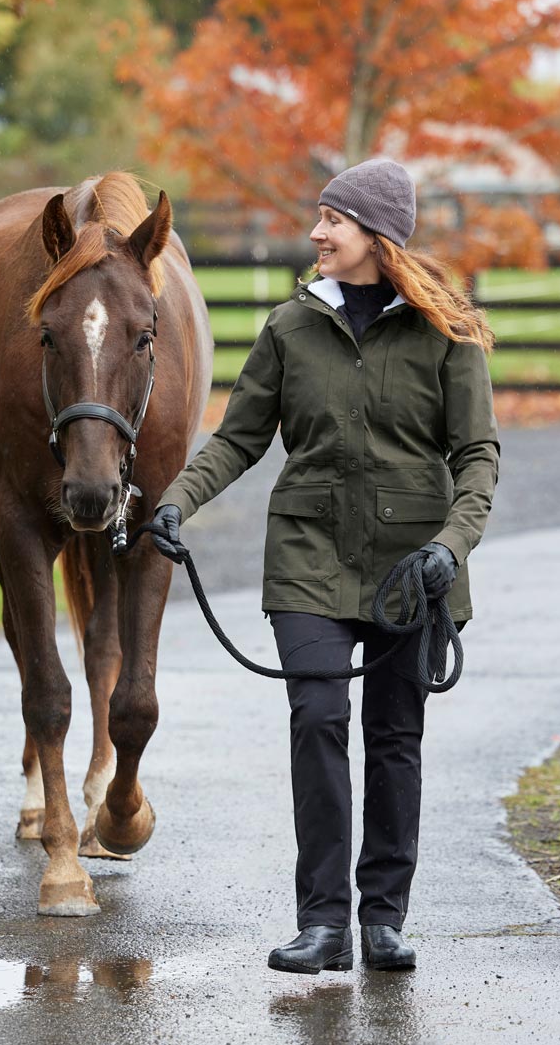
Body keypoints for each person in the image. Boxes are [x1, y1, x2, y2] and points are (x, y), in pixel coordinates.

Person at [149, 159, 499, 974]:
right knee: (316, 721)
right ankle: (323, 923)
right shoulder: (289, 327)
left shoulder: (445, 334)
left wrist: (449, 548)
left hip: (414, 568)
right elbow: (239, 437)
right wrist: (175, 498)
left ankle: (383, 918)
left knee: (393, 736)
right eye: (318, 217)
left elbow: (478, 457)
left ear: (375, 236)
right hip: (309, 555)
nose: (316, 233)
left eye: (331, 220)